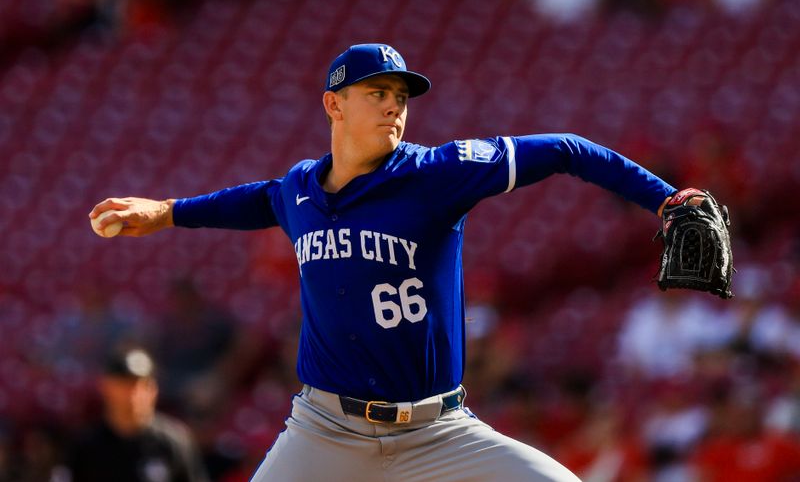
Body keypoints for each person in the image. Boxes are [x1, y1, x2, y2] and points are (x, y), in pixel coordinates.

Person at [89, 43, 686, 481]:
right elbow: (256, 200)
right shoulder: (299, 189)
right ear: (334, 104)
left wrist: (667, 198)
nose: (393, 108)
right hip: (325, 430)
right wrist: (167, 212)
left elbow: (566, 150)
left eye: (400, 97)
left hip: (439, 432)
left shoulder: (436, 174)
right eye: (376, 93)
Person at [65, 345, 210, 482]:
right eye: (124, 385)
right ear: (106, 387)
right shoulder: (86, 447)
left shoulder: (173, 442)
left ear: (153, 389)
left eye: (140, 385)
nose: (132, 394)